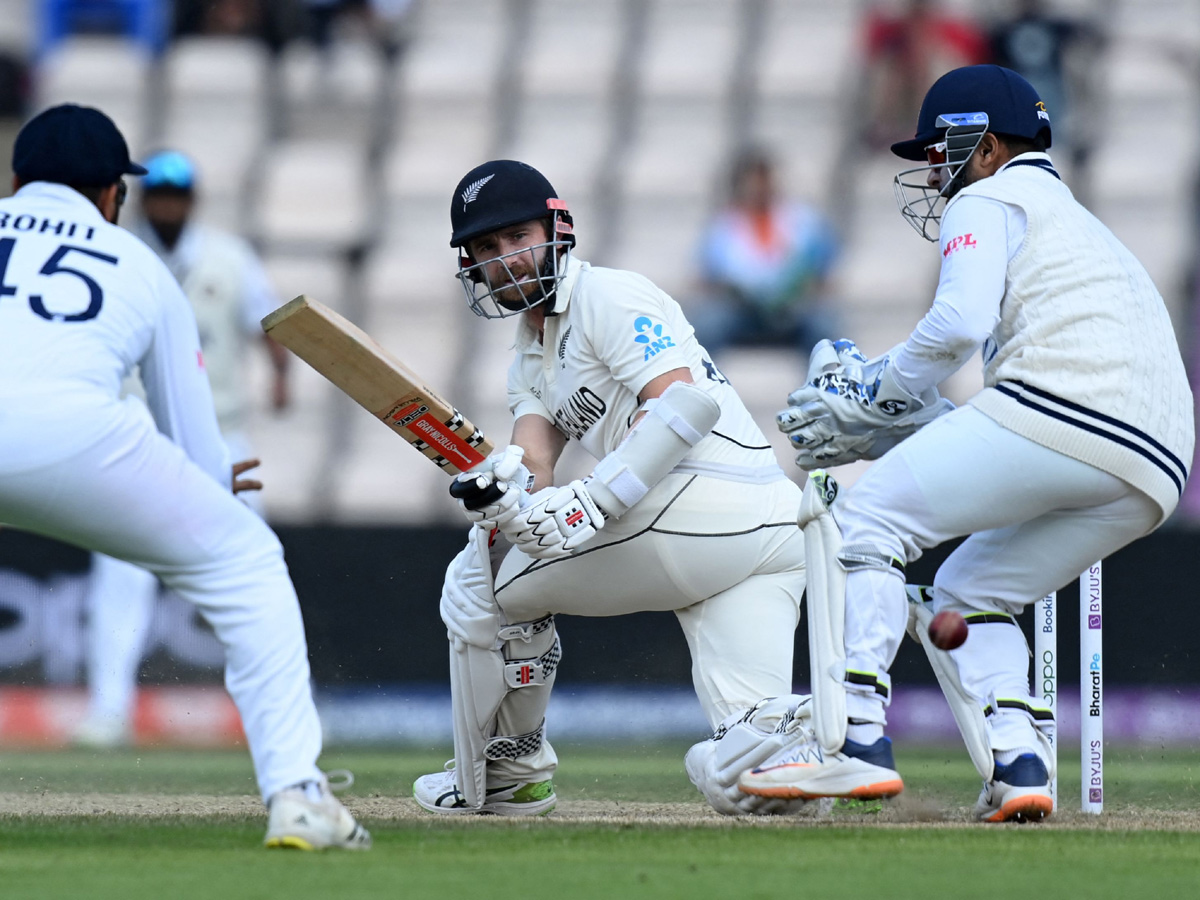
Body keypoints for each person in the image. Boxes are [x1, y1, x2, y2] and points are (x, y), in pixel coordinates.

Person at [737, 66, 1194, 822]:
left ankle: (854, 742)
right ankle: (1020, 765)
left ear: (987, 147)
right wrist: (908, 408)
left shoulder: (988, 196)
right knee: (972, 593)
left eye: (941, 150)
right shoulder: (1075, 219)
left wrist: (876, 389)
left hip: (1064, 409)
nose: (932, 170)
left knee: (865, 523)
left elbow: (956, 326)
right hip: (1156, 461)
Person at [0, 104, 369, 850]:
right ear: (114, 194)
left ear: (14, 179)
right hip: (76, 442)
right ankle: (297, 794)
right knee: (247, 561)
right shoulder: (136, 262)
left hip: (76, 433)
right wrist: (211, 486)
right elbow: (193, 439)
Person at [409, 160, 810, 818]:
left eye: (518, 238)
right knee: (755, 775)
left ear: (558, 228)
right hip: (766, 534)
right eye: (487, 249)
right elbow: (533, 460)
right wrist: (503, 495)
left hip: (706, 502)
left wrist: (592, 500)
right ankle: (796, 750)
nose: (506, 260)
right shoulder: (530, 353)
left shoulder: (607, 296)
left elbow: (682, 404)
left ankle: (513, 773)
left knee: (481, 583)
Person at [74, 149, 291, 748]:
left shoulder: (228, 256)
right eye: (159, 196)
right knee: (120, 573)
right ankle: (108, 710)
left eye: (177, 196)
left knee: (254, 560)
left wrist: (280, 376)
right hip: (136, 434)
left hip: (222, 432)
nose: (168, 206)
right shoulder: (118, 252)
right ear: (147, 201)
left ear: (191, 200)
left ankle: (273, 705)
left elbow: (266, 322)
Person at [689, 147, 838, 362]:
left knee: (823, 326)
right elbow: (708, 277)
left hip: (793, 309)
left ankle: (824, 389)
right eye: (753, 181)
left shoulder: (803, 220)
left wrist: (801, 288)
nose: (760, 187)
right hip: (740, 312)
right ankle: (705, 388)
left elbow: (822, 269)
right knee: (707, 324)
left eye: (765, 179)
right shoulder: (723, 226)